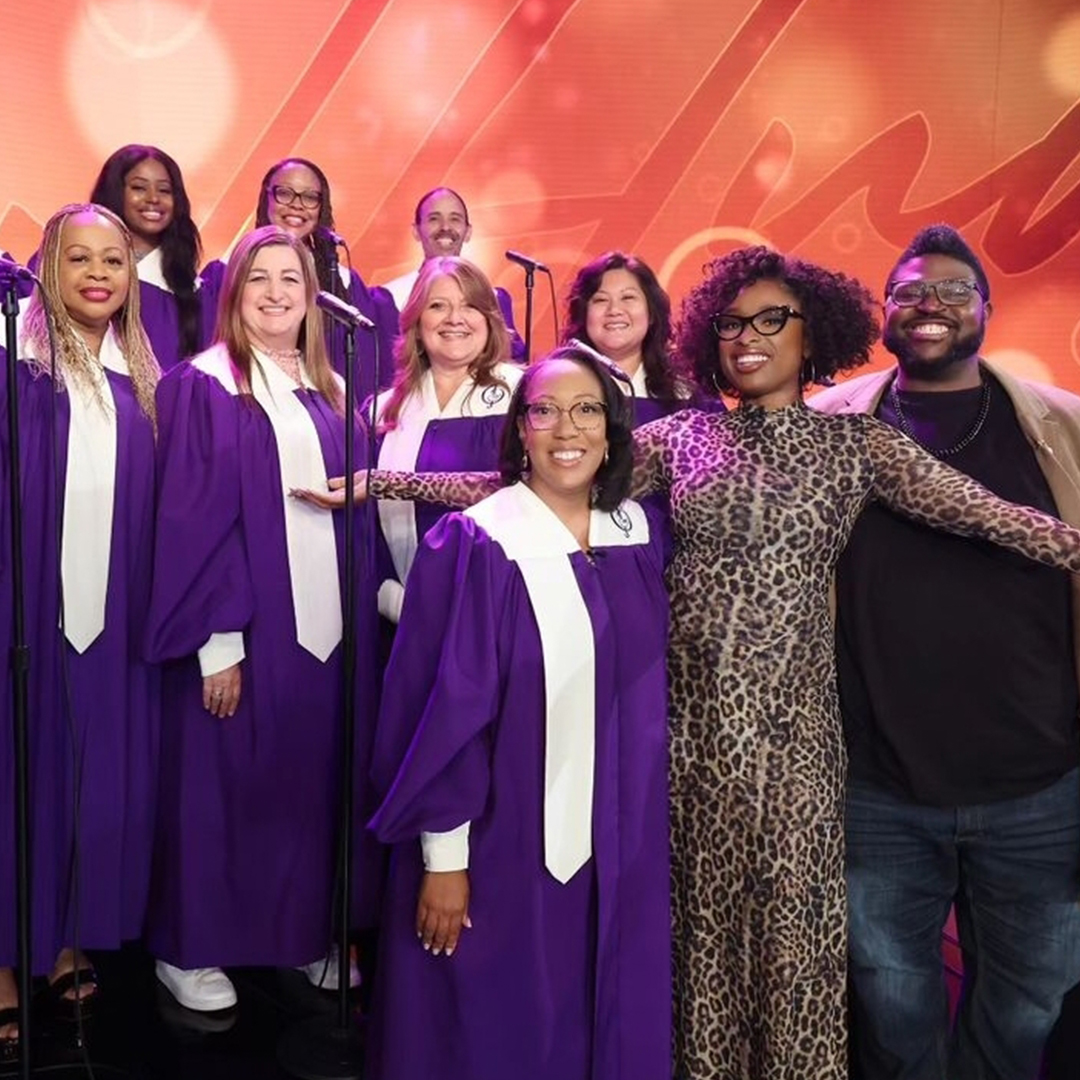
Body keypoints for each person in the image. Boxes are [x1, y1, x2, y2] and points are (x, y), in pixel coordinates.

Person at [305, 245, 1080, 1080]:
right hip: (688, 746)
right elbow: (545, 485)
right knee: (698, 948)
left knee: (797, 959)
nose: (748, 337)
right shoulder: (684, 437)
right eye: (732, 323)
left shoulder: (857, 446)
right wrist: (392, 484)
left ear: (812, 332)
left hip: (801, 753)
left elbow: (989, 515)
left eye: (772, 319)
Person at [811, 224, 1080, 1080]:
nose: (930, 305)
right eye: (911, 292)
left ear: (987, 312)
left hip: (1039, 783)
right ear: (884, 312)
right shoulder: (827, 427)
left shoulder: (1064, 428)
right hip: (878, 785)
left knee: (1035, 995)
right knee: (891, 1003)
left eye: (954, 292)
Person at [364, 345, 671, 1080]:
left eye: (587, 409)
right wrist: (445, 859)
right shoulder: (477, 542)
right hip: (505, 838)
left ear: (612, 427)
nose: (568, 428)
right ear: (520, 431)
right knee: (502, 1021)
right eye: (545, 410)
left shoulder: (640, 533)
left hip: (624, 833)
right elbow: (438, 714)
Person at [143, 225, 376, 1011]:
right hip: (249, 626)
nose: (277, 293)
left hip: (328, 631)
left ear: (314, 296)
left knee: (305, 784)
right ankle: (192, 944)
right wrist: (217, 642)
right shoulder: (204, 384)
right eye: (259, 280)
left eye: (292, 279)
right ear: (233, 294)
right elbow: (190, 520)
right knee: (220, 786)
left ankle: (298, 935)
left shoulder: (334, 391)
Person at [0, 204, 160, 1055]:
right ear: (47, 271)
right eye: (78, 259)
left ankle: (64, 934)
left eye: (114, 261)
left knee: (87, 779)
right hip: (23, 612)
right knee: (17, 774)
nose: (98, 273)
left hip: (113, 619)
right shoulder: (16, 370)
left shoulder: (142, 384)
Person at [371, 256, 521, 627]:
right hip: (403, 617)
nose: (455, 318)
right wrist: (390, 599)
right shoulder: (382, 410)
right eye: (438, 306)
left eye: (469, 305)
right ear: (417, 324)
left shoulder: (524, 397)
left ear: (489, 319)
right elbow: (364, 528)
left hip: (498, 615)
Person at [200, 157, 397, 399]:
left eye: (310, 197)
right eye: (285, 193)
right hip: (251, 405)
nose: (297, 205)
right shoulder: (228, 273)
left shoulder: (342, 284)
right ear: (266, 200)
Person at [88, 144, 206, 370]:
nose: (153, 198)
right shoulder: (76, 268)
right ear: (114, 191)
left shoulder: (193, 291)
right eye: (139, 187)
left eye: (165, 190)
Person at [563, 250, 706, 425]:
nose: (614, 310)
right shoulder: (559, 389)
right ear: (583, 316)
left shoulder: (687, 396)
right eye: (600, 300)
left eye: (628, 297)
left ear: (651, 313)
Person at [380, 187, 525, 359]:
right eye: (434, 219)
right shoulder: (387, 300)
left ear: (468, 232)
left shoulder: (494, 300)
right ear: (416, 231)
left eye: (455, 219)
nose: (445, 227)